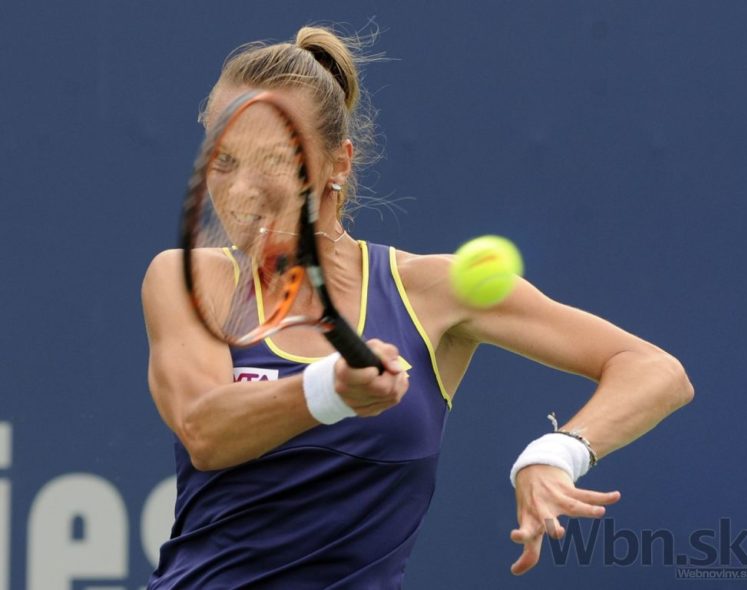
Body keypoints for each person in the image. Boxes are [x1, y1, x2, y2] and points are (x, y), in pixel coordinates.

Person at [141, 25, 694, 589]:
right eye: (224, 160)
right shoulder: (188, 279)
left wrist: (555, 453)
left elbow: (655, 370)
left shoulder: (430, 292)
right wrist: (330, 389)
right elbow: (204, 430)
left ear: (338, 164)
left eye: (274, 160)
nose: (240, 190)